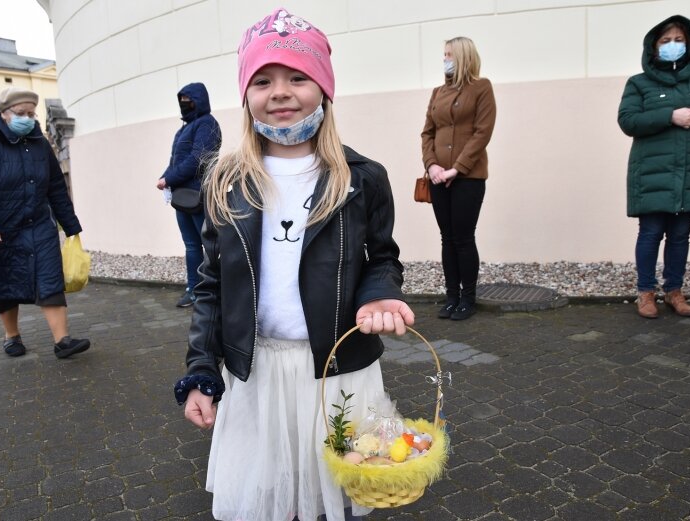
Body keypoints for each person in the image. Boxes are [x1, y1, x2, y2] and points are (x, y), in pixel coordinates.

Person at [173, 8, 415, 521]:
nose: (279, 91)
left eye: (297, 77)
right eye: (262, 80)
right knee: (271, 497)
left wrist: (378, 293)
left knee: (336, 490)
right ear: (246, 96)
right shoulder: (228, 182)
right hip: (256, 374)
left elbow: (382, 257)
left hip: (337, 374)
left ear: (324, 89)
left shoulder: (361, 178)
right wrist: (199, 370)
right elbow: (212, 285)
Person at [0, 87, 90, 358]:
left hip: (39, 224)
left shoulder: (39, 143)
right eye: (21, 113)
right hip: (0, 226)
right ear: (3, 114)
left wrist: (71, 226)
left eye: (32, 113)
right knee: (5, 282)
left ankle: (62, 340)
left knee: (50, 278)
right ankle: (12, 336)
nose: (28, 118)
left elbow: (55, 186)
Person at [618, 15, 690, 319]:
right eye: (665, 41)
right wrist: (671, 115)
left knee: (679, 236)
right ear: (653, 48)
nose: (672, 45)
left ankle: (674, 291)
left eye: (678, 40)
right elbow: (628, 121)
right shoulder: (639, 83)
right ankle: (646, 292)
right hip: (652, 173)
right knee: (651, 233)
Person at [421, 37, 496, 321]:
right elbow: (427, 133)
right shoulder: (438, 92)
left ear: (463, 56)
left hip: (468, 178)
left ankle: (468, 298)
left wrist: (457, 168)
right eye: (444, 55)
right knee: (447, 238)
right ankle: (451, 296)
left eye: (449, 55)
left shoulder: (481, 88)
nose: (445, 59)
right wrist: (432, 166)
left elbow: (482, 132)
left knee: (463, 238)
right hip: (438, 178)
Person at [156, 82, 221, 308]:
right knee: (192, 246)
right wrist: (164, 178)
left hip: (199, 196)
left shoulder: (207, 124)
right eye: (181, 100)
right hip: (182, 198)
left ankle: (215, 290)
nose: (184, 105)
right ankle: (193, 290)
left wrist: (169, 179)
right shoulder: (183, 129)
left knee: (211, 246)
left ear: (199, 100)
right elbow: (175, 160)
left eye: (188, 100)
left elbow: (198, 159)